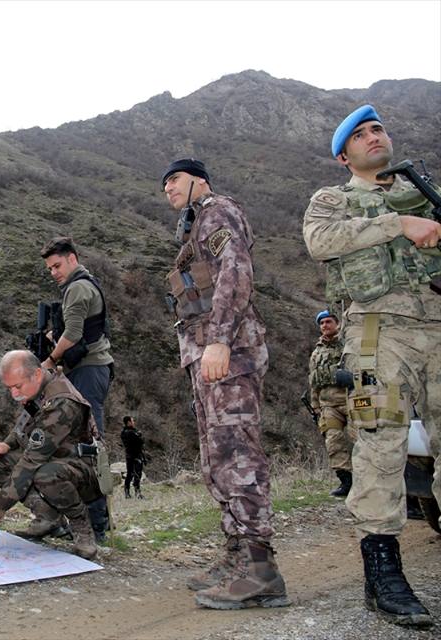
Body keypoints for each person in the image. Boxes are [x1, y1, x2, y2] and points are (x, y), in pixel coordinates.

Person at [303, 104, 440, 628]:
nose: (372, 137)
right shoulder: (333, 199)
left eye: (377, 128)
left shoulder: (423, 189)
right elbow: (320, 242)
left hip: (438, 325)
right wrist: (398, 223)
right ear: (344, 157)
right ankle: (383, 571)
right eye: (359, 135)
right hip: (375, 330)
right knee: (380, 439)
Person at [162, 158, 289, 609]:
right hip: (205, 356)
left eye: (174, 179)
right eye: (165, 185)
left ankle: (261, 569)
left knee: (237, 455)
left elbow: (236, 271)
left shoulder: (217, 211)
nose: (168, 190)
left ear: (199, 179)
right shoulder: (193, 230)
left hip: (227, 353)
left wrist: (219, 340)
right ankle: (238, 555)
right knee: (216, 458)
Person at [0, 350, 103, 560]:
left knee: (44, 473)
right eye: (9, 388)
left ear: (37, 375)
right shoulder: (39, 387)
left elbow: (31, 460)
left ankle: (81, 527)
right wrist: (6, 444)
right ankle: (48, 518)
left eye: (17, 387)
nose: (14, 394)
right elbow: (26, 425)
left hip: (83, 468)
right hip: (52, 458)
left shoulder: (61, 403)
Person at [38, 237, 113, 541]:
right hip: (88, 369)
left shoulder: (79, 286)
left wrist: (51, 359)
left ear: (72, 258)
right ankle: (82, 521)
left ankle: (97, 526)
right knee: (75, 445)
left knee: (88, 447)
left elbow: (74, 333)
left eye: (57, 265)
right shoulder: (81, 284)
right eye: (49, 268)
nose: (53, 272)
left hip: (87, 370)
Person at [308, 310, 355, 497]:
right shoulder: (317, 352)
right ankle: (346, 481)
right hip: (328, 404)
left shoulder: (348, 344)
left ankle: (368, 479)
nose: (325, 325)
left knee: (360, 439)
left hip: (351, 398)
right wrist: (315, 405)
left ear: (337, 323)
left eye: (328, 322)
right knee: (334, 442)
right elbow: (313, 380)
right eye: (322, 323)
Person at [120, 416, 145, 499]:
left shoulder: (132, 431)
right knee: (131, 474)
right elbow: (140, 441)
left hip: (135, 455)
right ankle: (129, 492)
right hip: (132, 455)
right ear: (129, 422)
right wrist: (138, 436)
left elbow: (141, 441)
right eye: (132, 421)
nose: (134, 422)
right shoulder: (127, 432)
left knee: (136, 473)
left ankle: (136, 492)